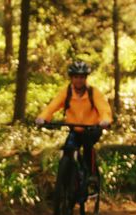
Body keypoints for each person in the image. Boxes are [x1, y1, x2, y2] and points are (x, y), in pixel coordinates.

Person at [35, 61, 113, 190]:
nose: (79, 80)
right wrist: (42, 118)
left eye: (82, 77)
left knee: (88, 145)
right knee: (67, 150)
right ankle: (66, 181)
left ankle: (92, 175)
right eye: (76, 77)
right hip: (75, 129)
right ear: (71, 78)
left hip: (92, 129)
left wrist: (105, 121)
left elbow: (104, 110)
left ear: (85, 78)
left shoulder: (93, 93)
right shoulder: (67, 92)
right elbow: (52, 106)